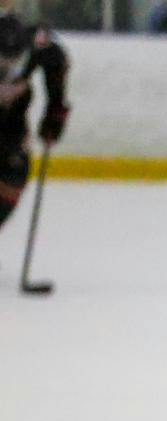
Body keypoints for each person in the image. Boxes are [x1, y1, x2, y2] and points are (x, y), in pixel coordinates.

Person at [0, 10, 65, 245]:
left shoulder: (38, 45)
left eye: (13, 61)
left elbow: (56, 61)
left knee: (14, 171)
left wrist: (54, 117)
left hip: (10, 126)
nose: (7, 68)